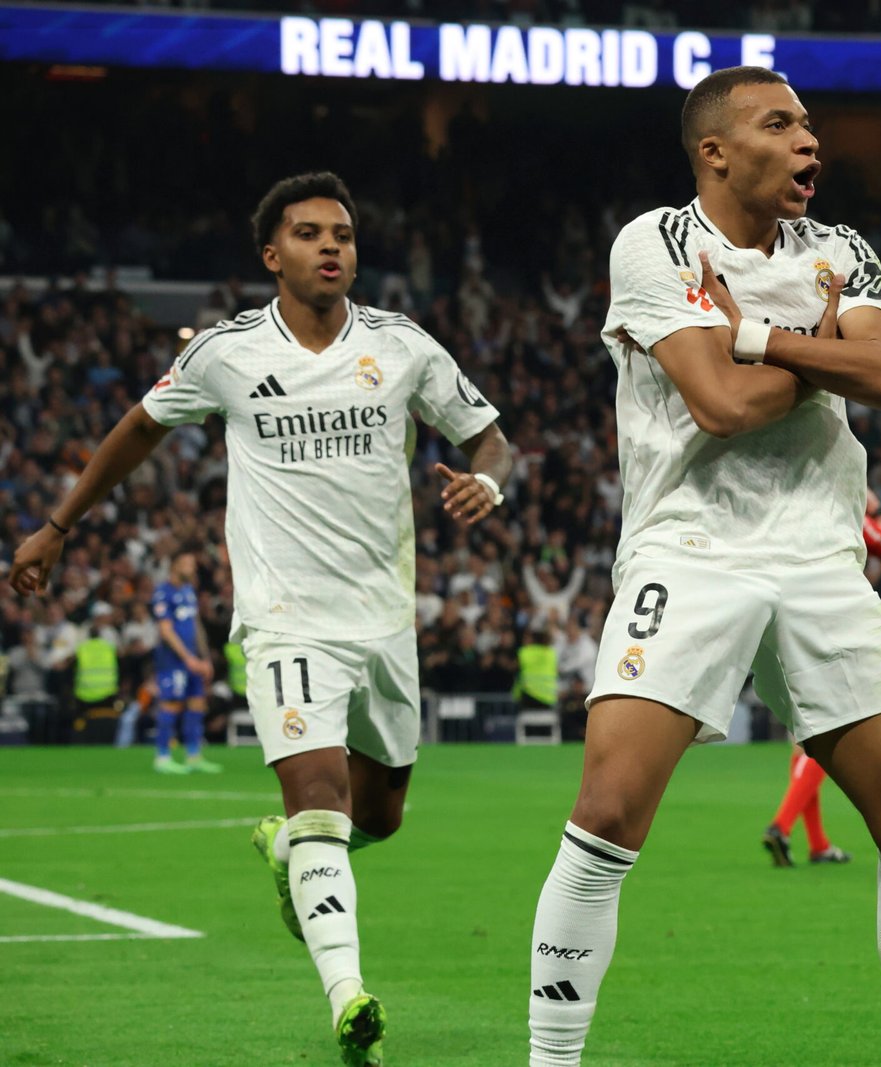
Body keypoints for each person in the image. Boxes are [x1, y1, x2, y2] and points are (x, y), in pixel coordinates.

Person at [7, 171, 512, 1067]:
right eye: (310, 234)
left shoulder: (401, 345)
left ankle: (288, 852)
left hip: (384, 621)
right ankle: (349, 995)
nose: (331, 247)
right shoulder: (227, 353)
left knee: (381, 813)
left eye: (342, 234)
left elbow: (488, 436)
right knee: (318, 798)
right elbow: (140, 426)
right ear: (272, 255)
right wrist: (58, 525)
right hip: (285, 619)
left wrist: (487, 481)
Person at [526, 68, 881, 1067]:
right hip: (692, 547)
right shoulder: (656, 242)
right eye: (780, 124)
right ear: (715, 152)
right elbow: (719, 403)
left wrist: (760, 335)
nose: (810, 140)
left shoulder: (841, 249)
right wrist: (821, 349)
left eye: (809, 124)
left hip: (820, 554)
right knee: (608, 810)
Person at [763, 490, 881, 868]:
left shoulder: (776, 506)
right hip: (827, 627)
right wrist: (876, 507)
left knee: (805, 738)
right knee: (828, 729)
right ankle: (781, 826)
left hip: (774, 626)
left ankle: (817, 844)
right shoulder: (842, 510)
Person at [151, 551, 221, 774]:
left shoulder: (188, 591)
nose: (192, 568)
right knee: (171, 705)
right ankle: (162, 757)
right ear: (174, 565)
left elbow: (196, 624)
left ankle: (193, 756)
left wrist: (204, 658)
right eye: (186, 564)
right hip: (172, 661)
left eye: (192, 564)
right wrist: (188, 658)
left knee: (197, 704)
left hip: (193, 661)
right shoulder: (163, 592)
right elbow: (165, 631)